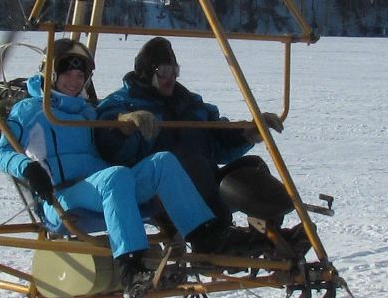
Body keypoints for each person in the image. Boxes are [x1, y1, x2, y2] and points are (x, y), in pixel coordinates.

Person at [0, 37, 256, 298]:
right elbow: (3, 152)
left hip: (102, 188)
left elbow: (110, 140)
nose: (74, 82)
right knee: (116, 176)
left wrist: (124, 128)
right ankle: (132, 267)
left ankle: (205, 237)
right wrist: (28, 168)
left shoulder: (86, 111)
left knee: (162, 162)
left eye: (79, 76)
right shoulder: (29, 110)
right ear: (51, 74)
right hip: (62, 196)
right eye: (67, 75)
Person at [96, 36, 287, 226]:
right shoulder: (124, 102)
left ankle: (272, 234)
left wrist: (249, 133)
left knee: (253, 167)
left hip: (204, 183)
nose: (171, 78)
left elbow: (219, 139)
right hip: (158, 190)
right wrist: (124, 124)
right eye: (163, 72)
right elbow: (107, 140)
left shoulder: (189, 102)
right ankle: (216, 234)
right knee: (191, 162)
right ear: (146, 73)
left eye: (174, 71)